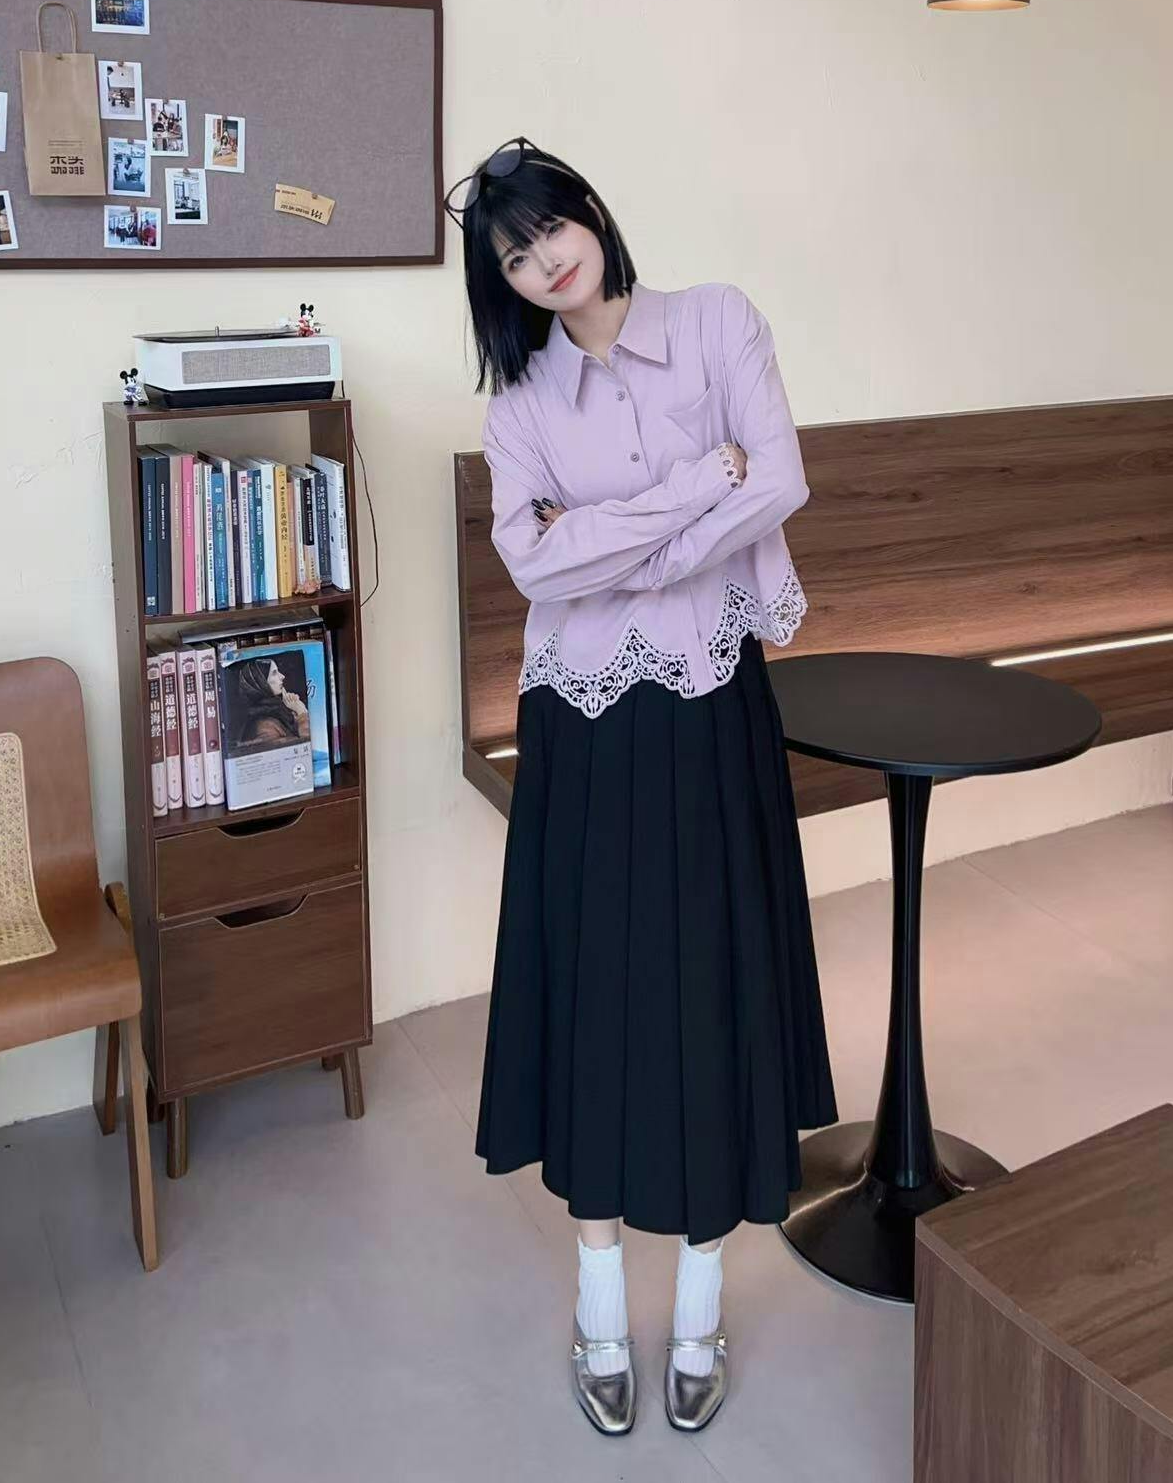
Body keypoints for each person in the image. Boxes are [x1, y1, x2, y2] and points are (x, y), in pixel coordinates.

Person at [451, 137, 837, 1437]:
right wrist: (688, 493)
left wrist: (613, 547)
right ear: (505, 283)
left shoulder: (719, 322)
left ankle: (705, 1304)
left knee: (712, 984)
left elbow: (778, 478)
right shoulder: (520, 406)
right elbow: (535, 570)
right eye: (516, 256)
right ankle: (601, 1302)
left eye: (551, 227)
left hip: (712, 704)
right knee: (599, 995)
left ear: (590, 214)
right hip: (583, 724)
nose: (545, 260)